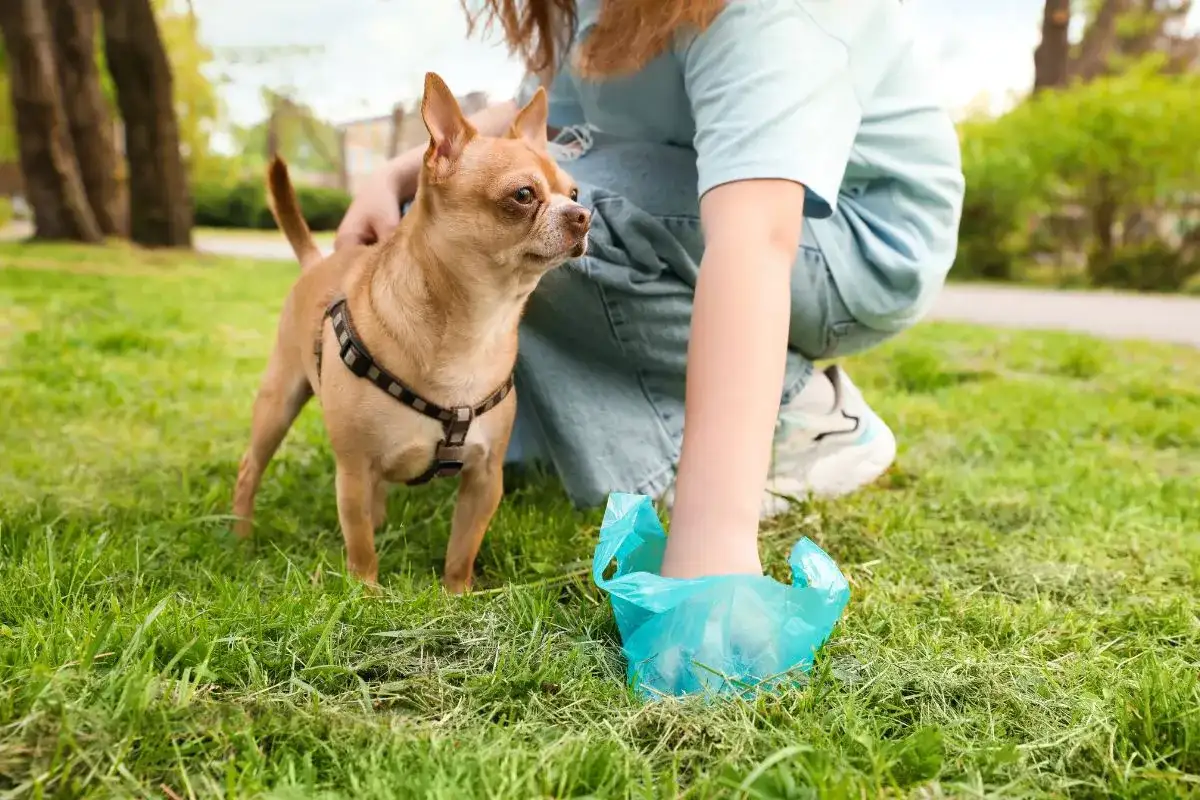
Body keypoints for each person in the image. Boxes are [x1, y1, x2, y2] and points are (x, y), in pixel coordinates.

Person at [336, 0, 964, 581]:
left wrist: (712, 541)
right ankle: (587, 431)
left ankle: (791, 417)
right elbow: (540, 120)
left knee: (555, 217)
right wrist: (399, 176)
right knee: (466, 215)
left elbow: (758, 237)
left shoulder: (773, 13)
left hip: (852, 241)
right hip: (712, 202)